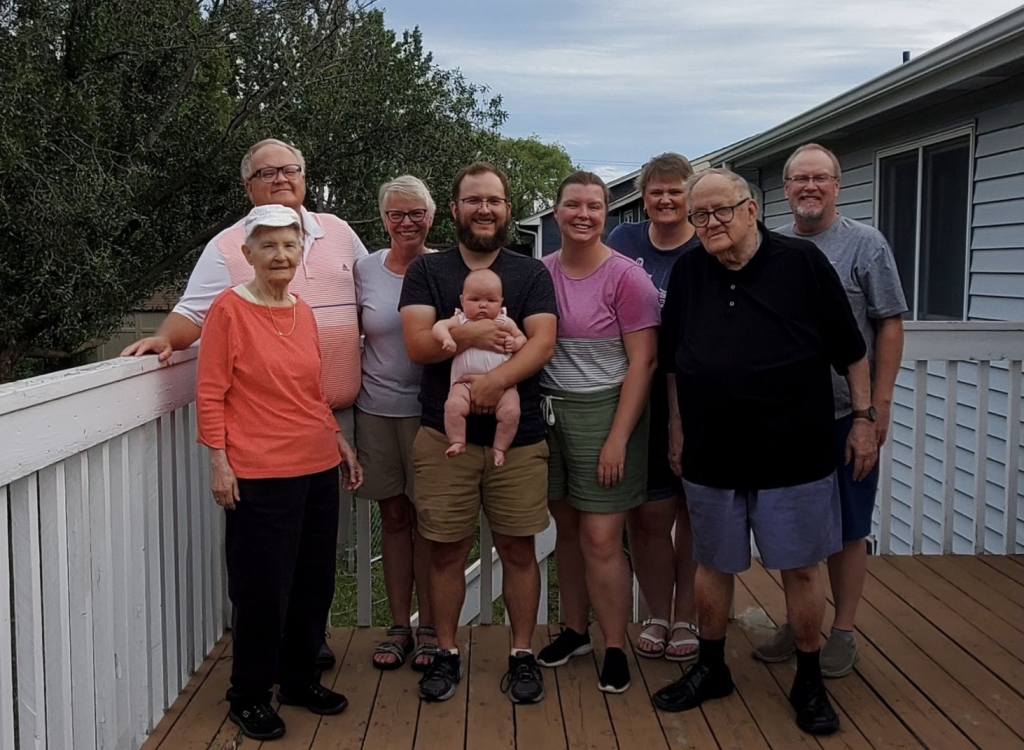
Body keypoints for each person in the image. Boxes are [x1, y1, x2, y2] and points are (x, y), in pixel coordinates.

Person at [122, 138, 368, 670]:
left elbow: (377, 292)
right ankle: (260, 665)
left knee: (317, 554)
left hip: (327, 425)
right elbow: (194, 316)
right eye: (266, 172)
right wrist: (164, 339)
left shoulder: (340, 234)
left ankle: (306, 649)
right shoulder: (228, 250)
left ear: (305, 176)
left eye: (290, 169)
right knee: (265, 561)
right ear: (247, 186)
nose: (280, 178)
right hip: (260, 440)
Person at [651, 169, 877, 736]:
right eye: (700, 215)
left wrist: (864, 420)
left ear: (751, 209)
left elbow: (852, 352)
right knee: (712, 563)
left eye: (721, 211)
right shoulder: (689, 272)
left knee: (800, 567)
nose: (710, 223)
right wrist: (677, 428)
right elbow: (674, 362)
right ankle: (712, 668)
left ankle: (809, 679)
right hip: (711, 449)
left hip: (793, 449)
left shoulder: (801, 263)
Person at [196, 205, 363, 741]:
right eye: (268, 246)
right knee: (262, 589)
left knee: (314, 582)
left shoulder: (302, 311)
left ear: (301, 252)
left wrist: (338, 439)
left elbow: (311, 393)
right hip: (260, 473)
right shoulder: (228, 310)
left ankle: (297, 679)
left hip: (316, 466)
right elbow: (210, 393)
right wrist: (219, 462)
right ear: (247, 253)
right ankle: (248, 694)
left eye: (290, 245)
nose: (280, 255)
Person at [399, 162, 558, 705]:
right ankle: (445, 652)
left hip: (519, 437)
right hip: (444, 437)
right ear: (455, 208)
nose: (484, 209)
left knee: (519, 549)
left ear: (508, 209)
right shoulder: (427, 271)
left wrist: (492, 382)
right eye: (473, 200)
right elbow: (419, 345)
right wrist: (476, 332)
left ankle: (522, 654)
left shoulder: (530, 274)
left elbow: (542, 343)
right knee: (445, 550)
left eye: (493, 200)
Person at [753, 144, 906, 677]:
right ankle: (800, 621)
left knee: (847, 527)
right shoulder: (769, 247)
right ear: (786, 188)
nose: (809, 187)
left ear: (837, 185)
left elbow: (889, 323)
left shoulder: (865, 244)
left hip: (847, 414)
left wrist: (875, 410)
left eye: (820, 178)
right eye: (799, 179)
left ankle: (842, 631)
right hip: (788, 418)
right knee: (794, 526)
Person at [535, 172, 659, 694]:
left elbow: (644, 362)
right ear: (556, 211)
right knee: (566, 530)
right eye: (573, 205)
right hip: (550, 413)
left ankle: (613, 644)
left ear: (606, 214)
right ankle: (574, 630)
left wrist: (617, 438)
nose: (583, 215)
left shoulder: (627, 278)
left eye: (594, 206)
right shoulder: (540, 273)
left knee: (602, 537)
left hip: (606, 414)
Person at [607, 152, 701, 661]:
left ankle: (687, 615)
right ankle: (657, 613)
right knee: (648, 514)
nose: (665, 199)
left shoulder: (706, 243)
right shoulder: (624, 241)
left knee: (694, 511)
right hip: (639, 390)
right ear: (643, 198)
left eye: (675, 190)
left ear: (690, 195)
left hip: (700, 393)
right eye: (656, 191)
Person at [354, 176, 438, 671]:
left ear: (432, 215)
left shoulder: (443, 267)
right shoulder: (364, 269)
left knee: (430, 519)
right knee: (394, 517)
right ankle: (399, 625)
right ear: (384, 219)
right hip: (376, 409)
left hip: (429, 412)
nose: (406, 223)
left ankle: (431, 626)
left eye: (416, 213)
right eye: (396, 214)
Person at [433, 269, 528, 466]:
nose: (482, 305)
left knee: (511, 412)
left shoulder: (504, 321)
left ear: (501, 302)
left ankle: (500, 447)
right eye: (475, 299)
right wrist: (447, 339)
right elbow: (438, 327)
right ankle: (457, 441)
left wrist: (515, 343)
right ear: (462, 301)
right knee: (452, 406)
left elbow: (522, 338)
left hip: (503, 386)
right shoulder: (461, 320)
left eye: (491, 300)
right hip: (464, 384)